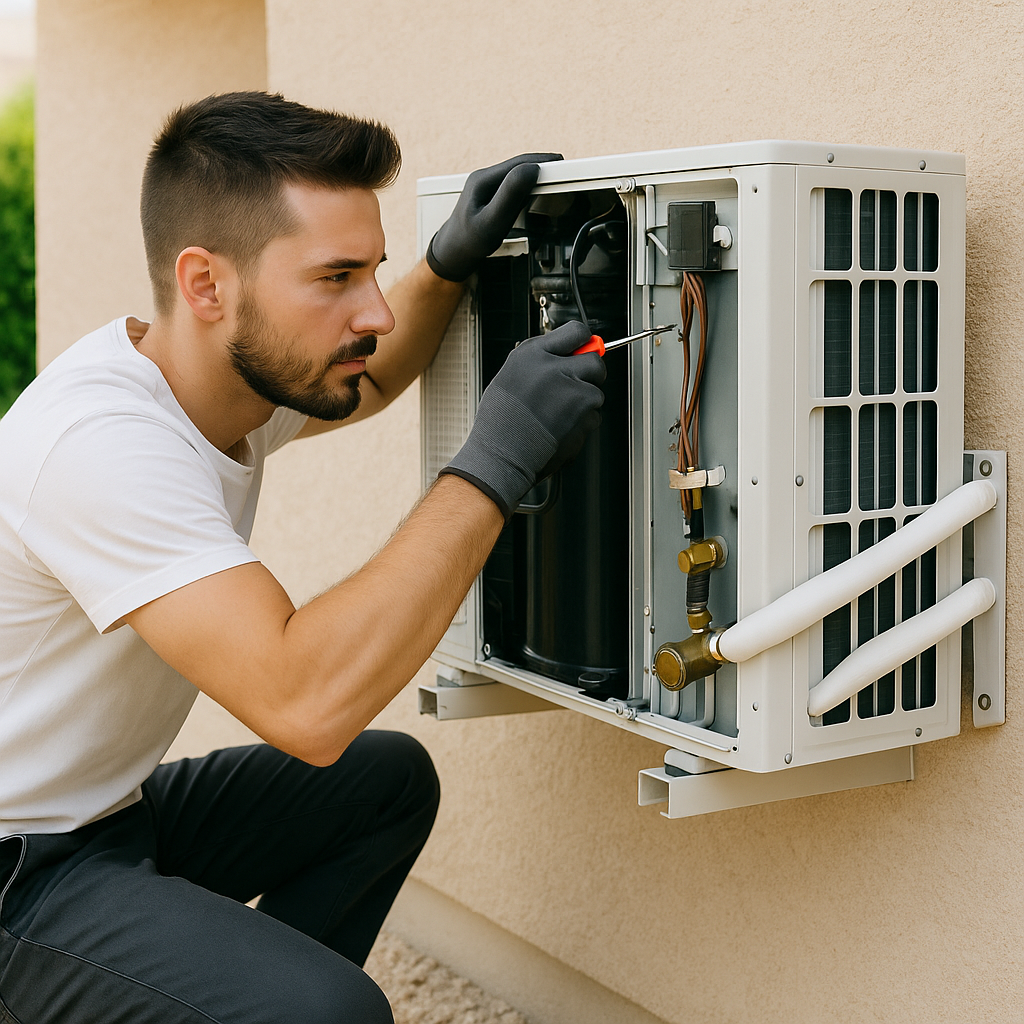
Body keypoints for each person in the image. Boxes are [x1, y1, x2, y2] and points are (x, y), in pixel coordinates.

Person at [0, 92, 605, 1023]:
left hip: (106, 816)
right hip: (17, 869)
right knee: (332, 1012)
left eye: (375, 271)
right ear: (207, 284)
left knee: (383, 785)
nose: (372, 312)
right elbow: (304, 703)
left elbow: (363, 384)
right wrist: (496, 459)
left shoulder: (212, 370)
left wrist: (446, 264)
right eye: (335, 278)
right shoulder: (99, 445)